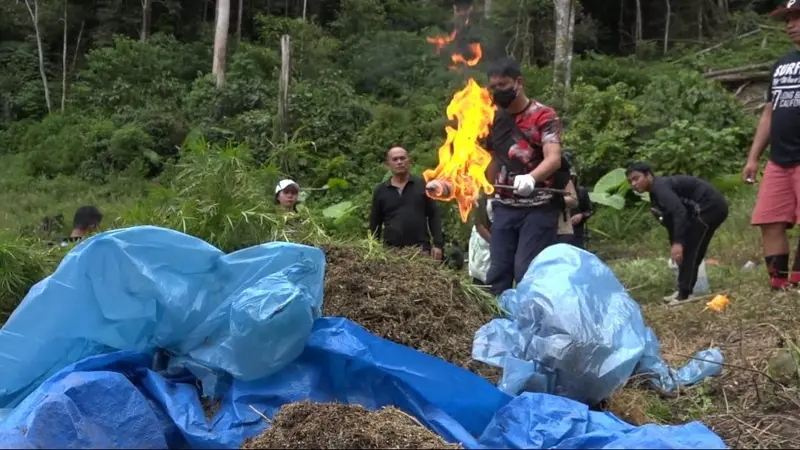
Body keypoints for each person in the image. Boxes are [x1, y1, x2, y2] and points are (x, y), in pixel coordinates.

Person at [483, 57, 571, 295]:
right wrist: (490, 195)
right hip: (504, 206)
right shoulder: (491, 119)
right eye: (493, 87)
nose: (498, 91)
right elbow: (491, 159)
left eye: (503, 85)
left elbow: (553, 158)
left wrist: (531, 177)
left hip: (539, 206)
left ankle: (532, 324)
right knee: (497, 273)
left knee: (527, 270)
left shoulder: (544, 116)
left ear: (518, 82)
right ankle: (496, 326)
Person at [742, 0, 800, 290]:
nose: (790, 24)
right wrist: (754, 157)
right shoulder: (782, 65)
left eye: (796, 17)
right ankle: (779, 283)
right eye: (787, 19)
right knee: (770, 219)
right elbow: (769, 112)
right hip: (779, 160)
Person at [626, 163, 729, 303]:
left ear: (648, 175)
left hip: (710, 207)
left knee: (692, 249)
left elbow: (679, 212)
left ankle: (684, 295)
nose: (634, 184)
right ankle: (683, 290)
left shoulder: (660, 187)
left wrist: (678, 243)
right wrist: (675, 243)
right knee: (685, 251)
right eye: (630, 181)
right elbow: (670, 220)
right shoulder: (654, 194)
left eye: (636, 178)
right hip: (697, 211)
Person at [369, 146, 444, 260]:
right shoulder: (381, 191)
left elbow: (434, 215)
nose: (399, 162)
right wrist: (373, 249)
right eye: (395, 159)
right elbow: (375, 223)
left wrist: (438, 244)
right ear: (388, 164)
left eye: (402, 158)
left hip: (421, 250)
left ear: (409, 161)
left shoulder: (423, 186)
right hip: (391, 253)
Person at [560, 170, 594, 249]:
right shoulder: (558, 191)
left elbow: (590, 210)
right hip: (561, 229)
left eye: (572, 178)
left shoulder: (582, 192)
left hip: (577, 229)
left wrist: (581, 215)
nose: (570, 180)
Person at [468, 194, 494, 286]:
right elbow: (479, 225)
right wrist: (495, 243)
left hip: (499, 243)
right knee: (480, 278)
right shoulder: (479, 196)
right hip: (483, 244)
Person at [556, 178, 579, 244]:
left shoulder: (563, 178)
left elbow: (574, 201)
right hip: (538, 229)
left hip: (563, 229)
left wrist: (557, 199)